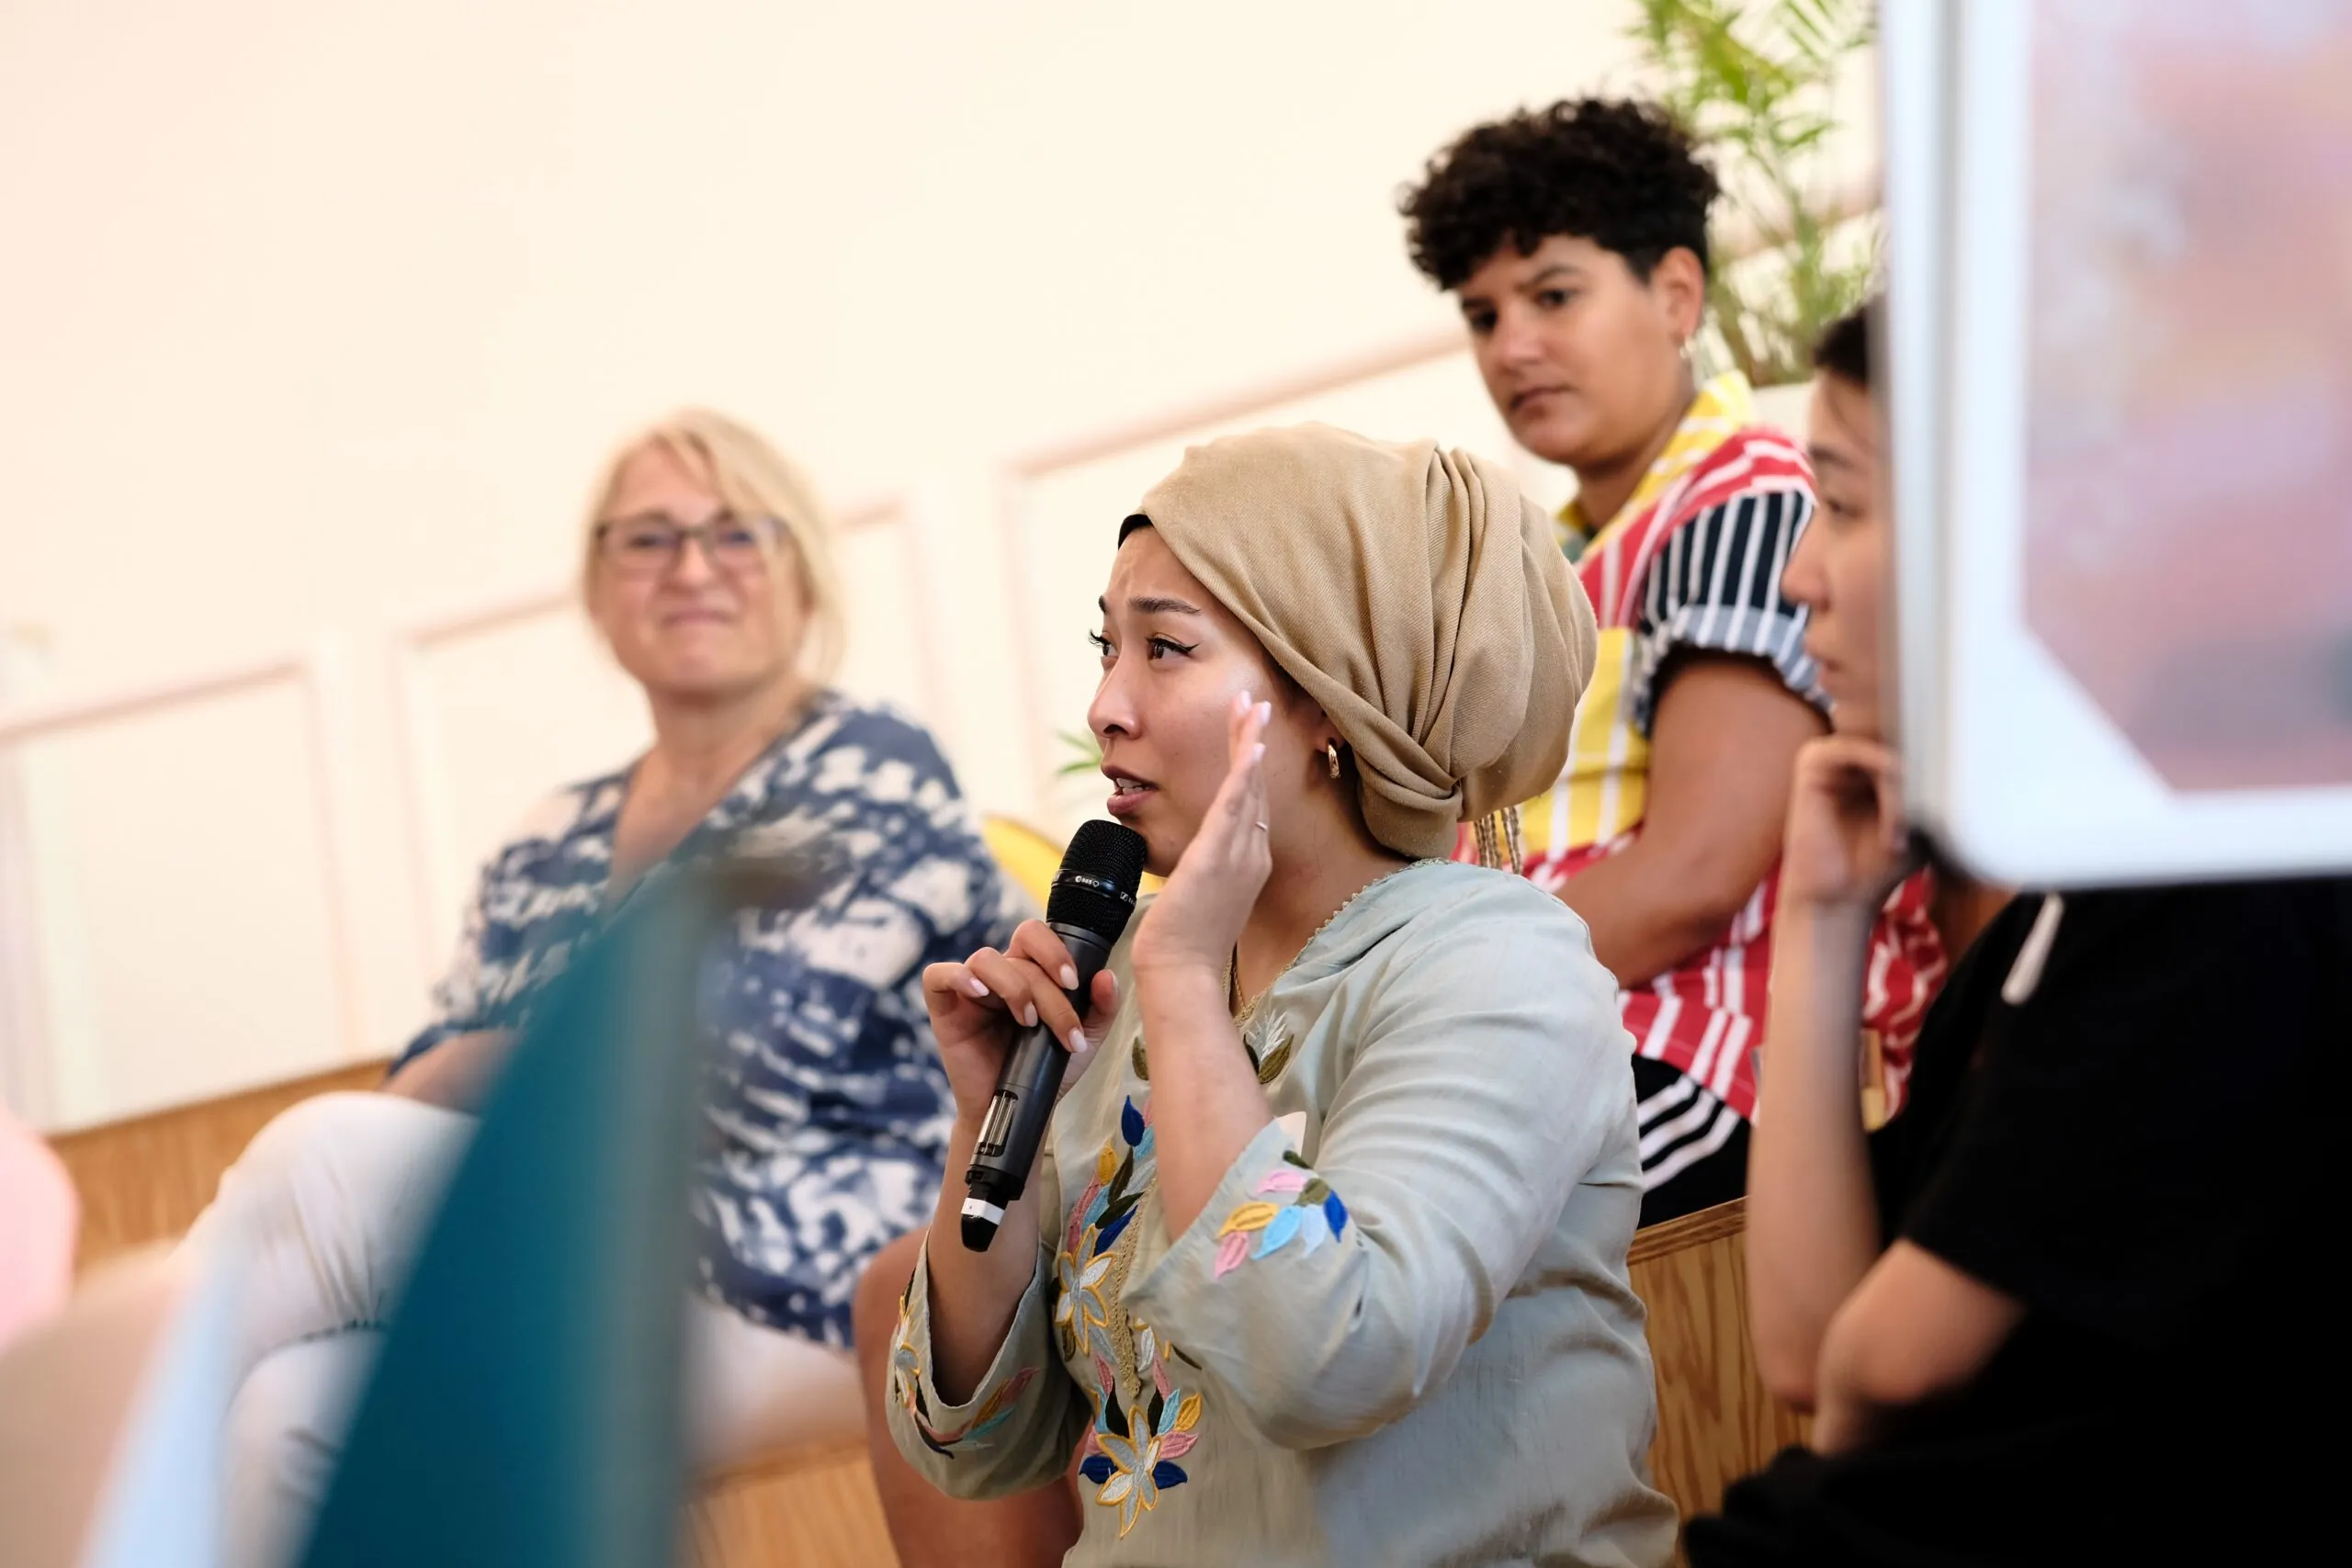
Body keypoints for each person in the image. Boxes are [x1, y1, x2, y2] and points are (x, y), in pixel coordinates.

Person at [180, 410, 1021, 1567]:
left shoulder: (870, 762)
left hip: (817, 1288)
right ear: (595, 590)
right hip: (584, 1253)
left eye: (736, 534)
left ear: (802, 576)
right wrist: (573, 1041)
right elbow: (414, 1087)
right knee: (288, 1414)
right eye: (648, 540)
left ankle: (71, 1470)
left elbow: (732, 1073)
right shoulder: (548, 838)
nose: (690, 569)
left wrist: (520, 1052)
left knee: (319, 1164)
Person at [881, 425, 1678, 1566]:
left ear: (1327, 701)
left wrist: (1184, 990)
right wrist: (982, 1120)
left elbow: (1328, 1355)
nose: (1106, 704)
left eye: (1165, 650)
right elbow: (976, 1444)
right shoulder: (1136, 981)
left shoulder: (1499, 966)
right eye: (1108, 647)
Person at [1685, 306, 2348, 1565]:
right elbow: (1802, 1344)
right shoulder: (2053, 913)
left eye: (1843, 505)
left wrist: (1855, 1378)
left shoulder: (2223, 863)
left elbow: (1888, 1365)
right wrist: (1823, 922)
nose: (1798, 577)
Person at [1398, 99, 1943, 1221]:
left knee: (1396, 1237)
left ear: (1676, 294)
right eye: (1483, 313)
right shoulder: (1544, 555)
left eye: (1553, 295)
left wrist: (1435, 1003)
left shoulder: (1742, 503)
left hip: (1709, 1041)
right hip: (1564, 1025)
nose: (1513, 346)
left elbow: (1697, 876)